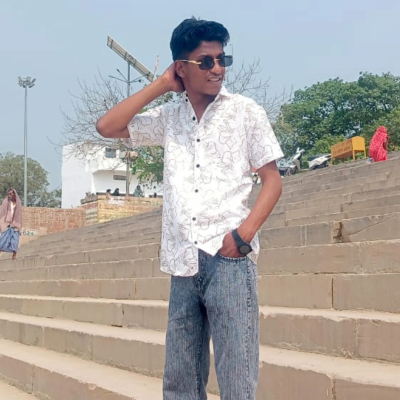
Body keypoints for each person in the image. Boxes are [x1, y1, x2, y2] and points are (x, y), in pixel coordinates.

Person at [96, 17, 283, 400]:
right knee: (179, 382)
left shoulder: (245, 112)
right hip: (182, 261)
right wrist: (162, 84)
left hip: (229, 258)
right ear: (182, 68)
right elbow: (107, 127)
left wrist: (242, 236)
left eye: (222, 59)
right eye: (206, 61)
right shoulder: (170, 118)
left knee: (237, 379)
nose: (218, 69)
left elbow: (272, 180)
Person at [0, 189, 22, 261]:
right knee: (2, 240)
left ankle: (14, 255)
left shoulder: (18, 203)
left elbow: (19, 215)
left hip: (15, 224)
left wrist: (18, 225)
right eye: (8, 194)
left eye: (11, 194)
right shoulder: (6, 201)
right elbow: (2, 212)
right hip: (7, 223)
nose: (9, 195)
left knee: (15, 241)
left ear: (14, 194)